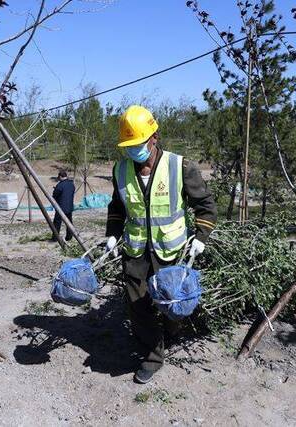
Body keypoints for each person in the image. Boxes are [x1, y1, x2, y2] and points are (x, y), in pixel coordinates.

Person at [105, 105, 217, 384]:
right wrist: (112, 233)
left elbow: (205, 206)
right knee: (137, 305)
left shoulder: (180, 167)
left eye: (138, 143)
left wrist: (201, 238)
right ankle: (154, 355)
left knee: (171, 306)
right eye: (128, 146)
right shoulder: (120, 169)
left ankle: (171, 331)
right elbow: (117, 208)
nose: (133, 150)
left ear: (154, 136)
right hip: (135, 252)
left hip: (171, 252)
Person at [52, 169, 75, 241]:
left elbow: (55, 195)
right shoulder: (71, 184)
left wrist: (55, 190)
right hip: (69, 207)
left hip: (60, 208)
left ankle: (55, 238)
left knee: (57, 223)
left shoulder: (60, 185)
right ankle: (69, 237)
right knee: (69, 223)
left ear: (60, 176)